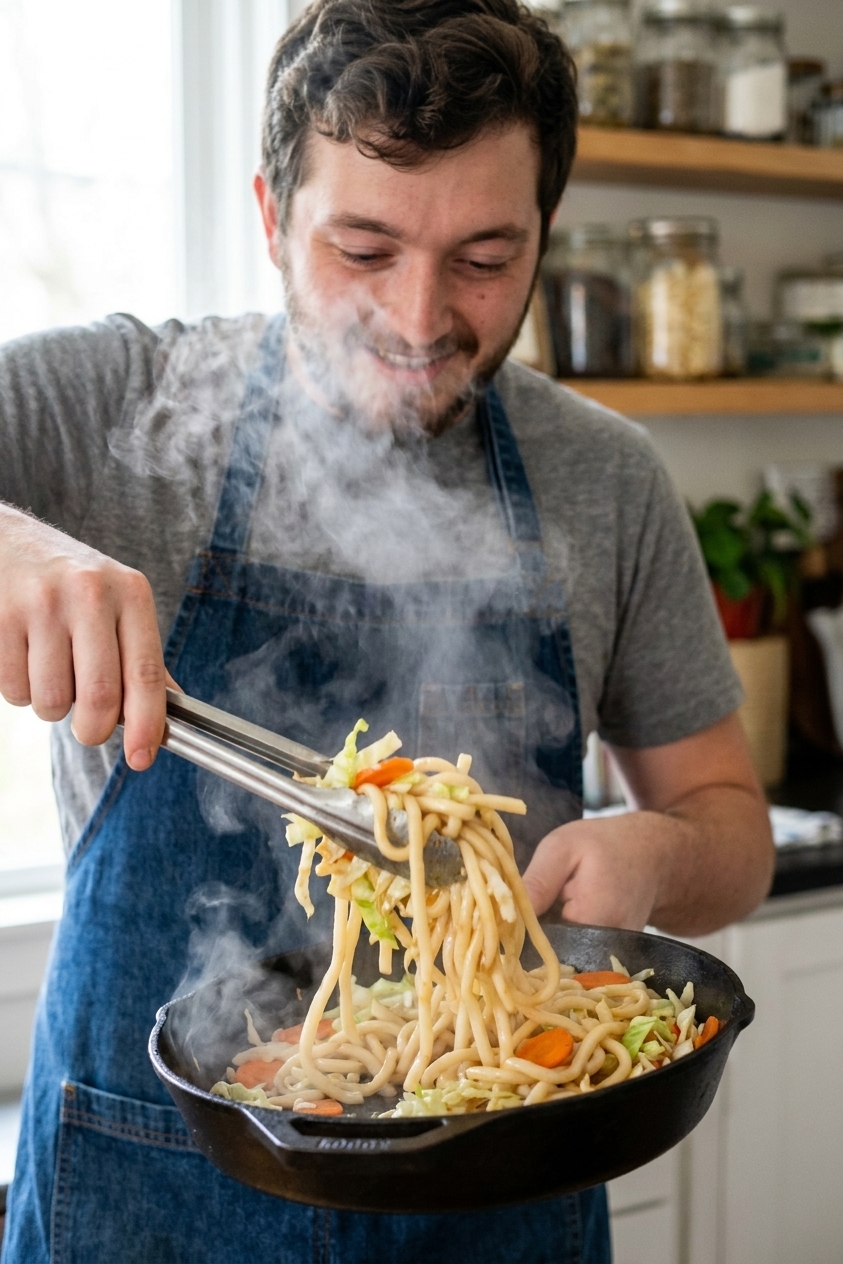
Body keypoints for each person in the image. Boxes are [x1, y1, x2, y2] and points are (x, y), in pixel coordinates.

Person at [0, 2, 774, 1261]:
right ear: (268, 215)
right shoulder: (115, 407)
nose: (421, 322)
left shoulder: (607, 479)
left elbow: (730, 827)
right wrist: (12, 546)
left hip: (503, 1176)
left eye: (484, 257)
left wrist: (657, 859)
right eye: (363, 248)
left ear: (544, 236)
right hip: (148, 1200)